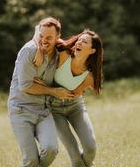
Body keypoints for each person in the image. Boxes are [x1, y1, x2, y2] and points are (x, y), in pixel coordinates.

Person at [8, 17, 75, 167]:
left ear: (58, 37)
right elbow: (26, 86)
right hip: (21, 110)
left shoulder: (59, 53)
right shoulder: (29, 51)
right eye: (42, 37)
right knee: (31, 159)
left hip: (43, 111)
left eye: (49, 38)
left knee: (51, 149)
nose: (44, 41)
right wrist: (53, 91)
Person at [34, 29, 103, 167]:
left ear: (92, 50)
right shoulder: (63, 55)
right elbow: (46, 40)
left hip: (75, 107)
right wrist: (38, 48)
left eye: (85, 42)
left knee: (91, 148)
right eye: (79, 39)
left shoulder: (90, 77)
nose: (79, 42)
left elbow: (76, 92)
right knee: (74, 152)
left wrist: (74, 92)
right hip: (54, 109)